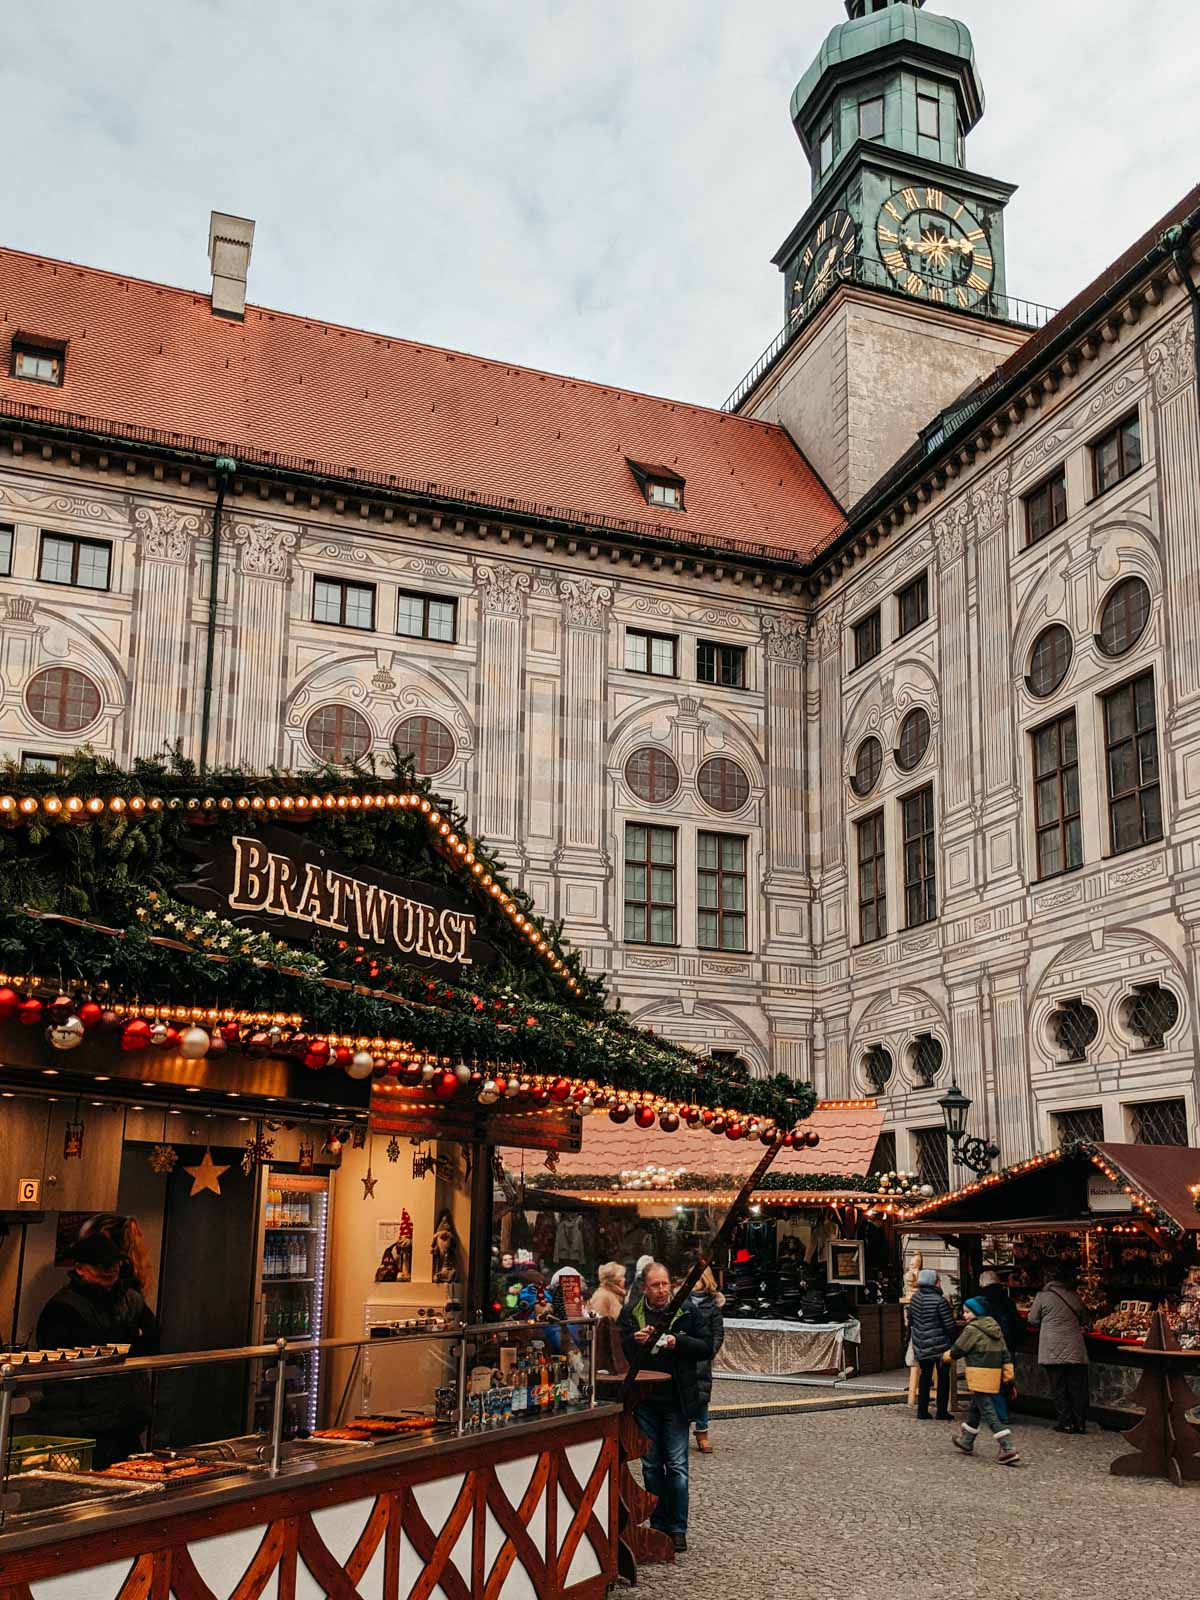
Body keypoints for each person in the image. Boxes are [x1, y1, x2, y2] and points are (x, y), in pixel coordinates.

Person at [34, 1231, 160, 1468]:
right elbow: (77, 1358)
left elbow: (155, 1340)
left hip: (125, 1418)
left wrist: (118, 1349)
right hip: (81, 1425)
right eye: (103, 1265)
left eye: (114, 1263)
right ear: (80, 1269)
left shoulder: (130, 1299)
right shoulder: (62, 1308)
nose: (111, 1269)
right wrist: (126, 1346)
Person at [618, 1261, 714, 1553]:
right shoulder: (633, 1313)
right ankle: (657, 1524)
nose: (661, 1290)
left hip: (677, 1400)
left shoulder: (687, 1311)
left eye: (665, 1284)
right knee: (650, 1465)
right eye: (655, 1285)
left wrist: (675, 1341)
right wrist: (637, 1342)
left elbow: (706, 1347)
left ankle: (678, 1528)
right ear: (645, 1287)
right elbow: (623, 1350)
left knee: (676, 1466)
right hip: (645, 1401)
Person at [947, 1297, 1020, 1466]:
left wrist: (946, 1357)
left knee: (989, 1412)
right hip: (992, 1375)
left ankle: (1008, 1447)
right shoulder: (995, 1328)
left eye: (967, 1312)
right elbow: (1005, 1354)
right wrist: (1008, 1377)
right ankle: (967, 1440)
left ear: (977, 1312)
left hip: (978, 1375)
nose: (964, 1315)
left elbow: (958, 1349)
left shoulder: (972, 1329)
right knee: (976, 1407)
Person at [1027, 1266, 1090, 1433]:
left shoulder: (1042, 1296)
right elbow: (1085, 1317)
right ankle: (1080, 1423)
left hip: (1052, 1347)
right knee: (1077, 1387)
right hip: (1074, 1347)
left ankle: (1065, 1422)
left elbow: (1032, 1319)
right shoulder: (1073, 1295)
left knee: (1059, 1387)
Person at [907, 1267, 955, 1420]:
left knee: (925, 1377)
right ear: (934, 1283)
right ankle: (941, 1411)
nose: (940, 1283)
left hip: (921, 1345)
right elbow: (949, 1325)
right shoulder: (940, 1301)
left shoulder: (914, 1299)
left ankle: (922, 1411)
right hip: (940, 1346)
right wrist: (954, 1340)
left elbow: (911, 1321)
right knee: (943, 1378)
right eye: (938, 1280)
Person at [689, 1267, 725, 1454]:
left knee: (702, 1397)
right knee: (681, 1396)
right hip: (684, 1355)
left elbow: (718, 1333)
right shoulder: (682, 1303)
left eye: (697, 1279)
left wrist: (708, 1352)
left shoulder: (713, 1307)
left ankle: (702, 1433)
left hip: (702, 1358)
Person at [977, 1268, 1023, 1354]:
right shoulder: (1008, 1300)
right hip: (1008, 1341)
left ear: (982, 1284)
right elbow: (1017, 1322)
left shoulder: (980, 1302)